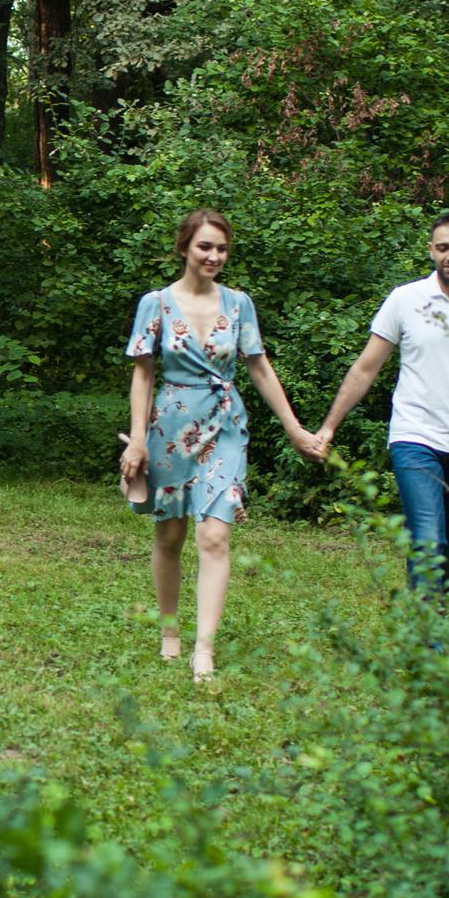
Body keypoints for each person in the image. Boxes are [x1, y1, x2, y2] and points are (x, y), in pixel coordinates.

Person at [119, 209, 315, 677]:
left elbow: (259, 367)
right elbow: (142, 374)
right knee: (170, 535)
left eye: (222, 248)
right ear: (185, 247)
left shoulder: (239, 303)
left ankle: (203, 648)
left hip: (225, 425)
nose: (214, 256)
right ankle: (170, 632)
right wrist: (139, 440)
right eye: (205, 246)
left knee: (214, 534)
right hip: (170, 426)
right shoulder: (156, 303)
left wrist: (293, 426)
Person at [302, 213, 449, 596]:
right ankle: (429, 646)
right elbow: (365, 368)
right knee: (428, 541)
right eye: (443, 247)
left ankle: (436, 627)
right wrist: (329, 426)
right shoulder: (405, 299)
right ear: (431, 251)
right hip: (415, 437)